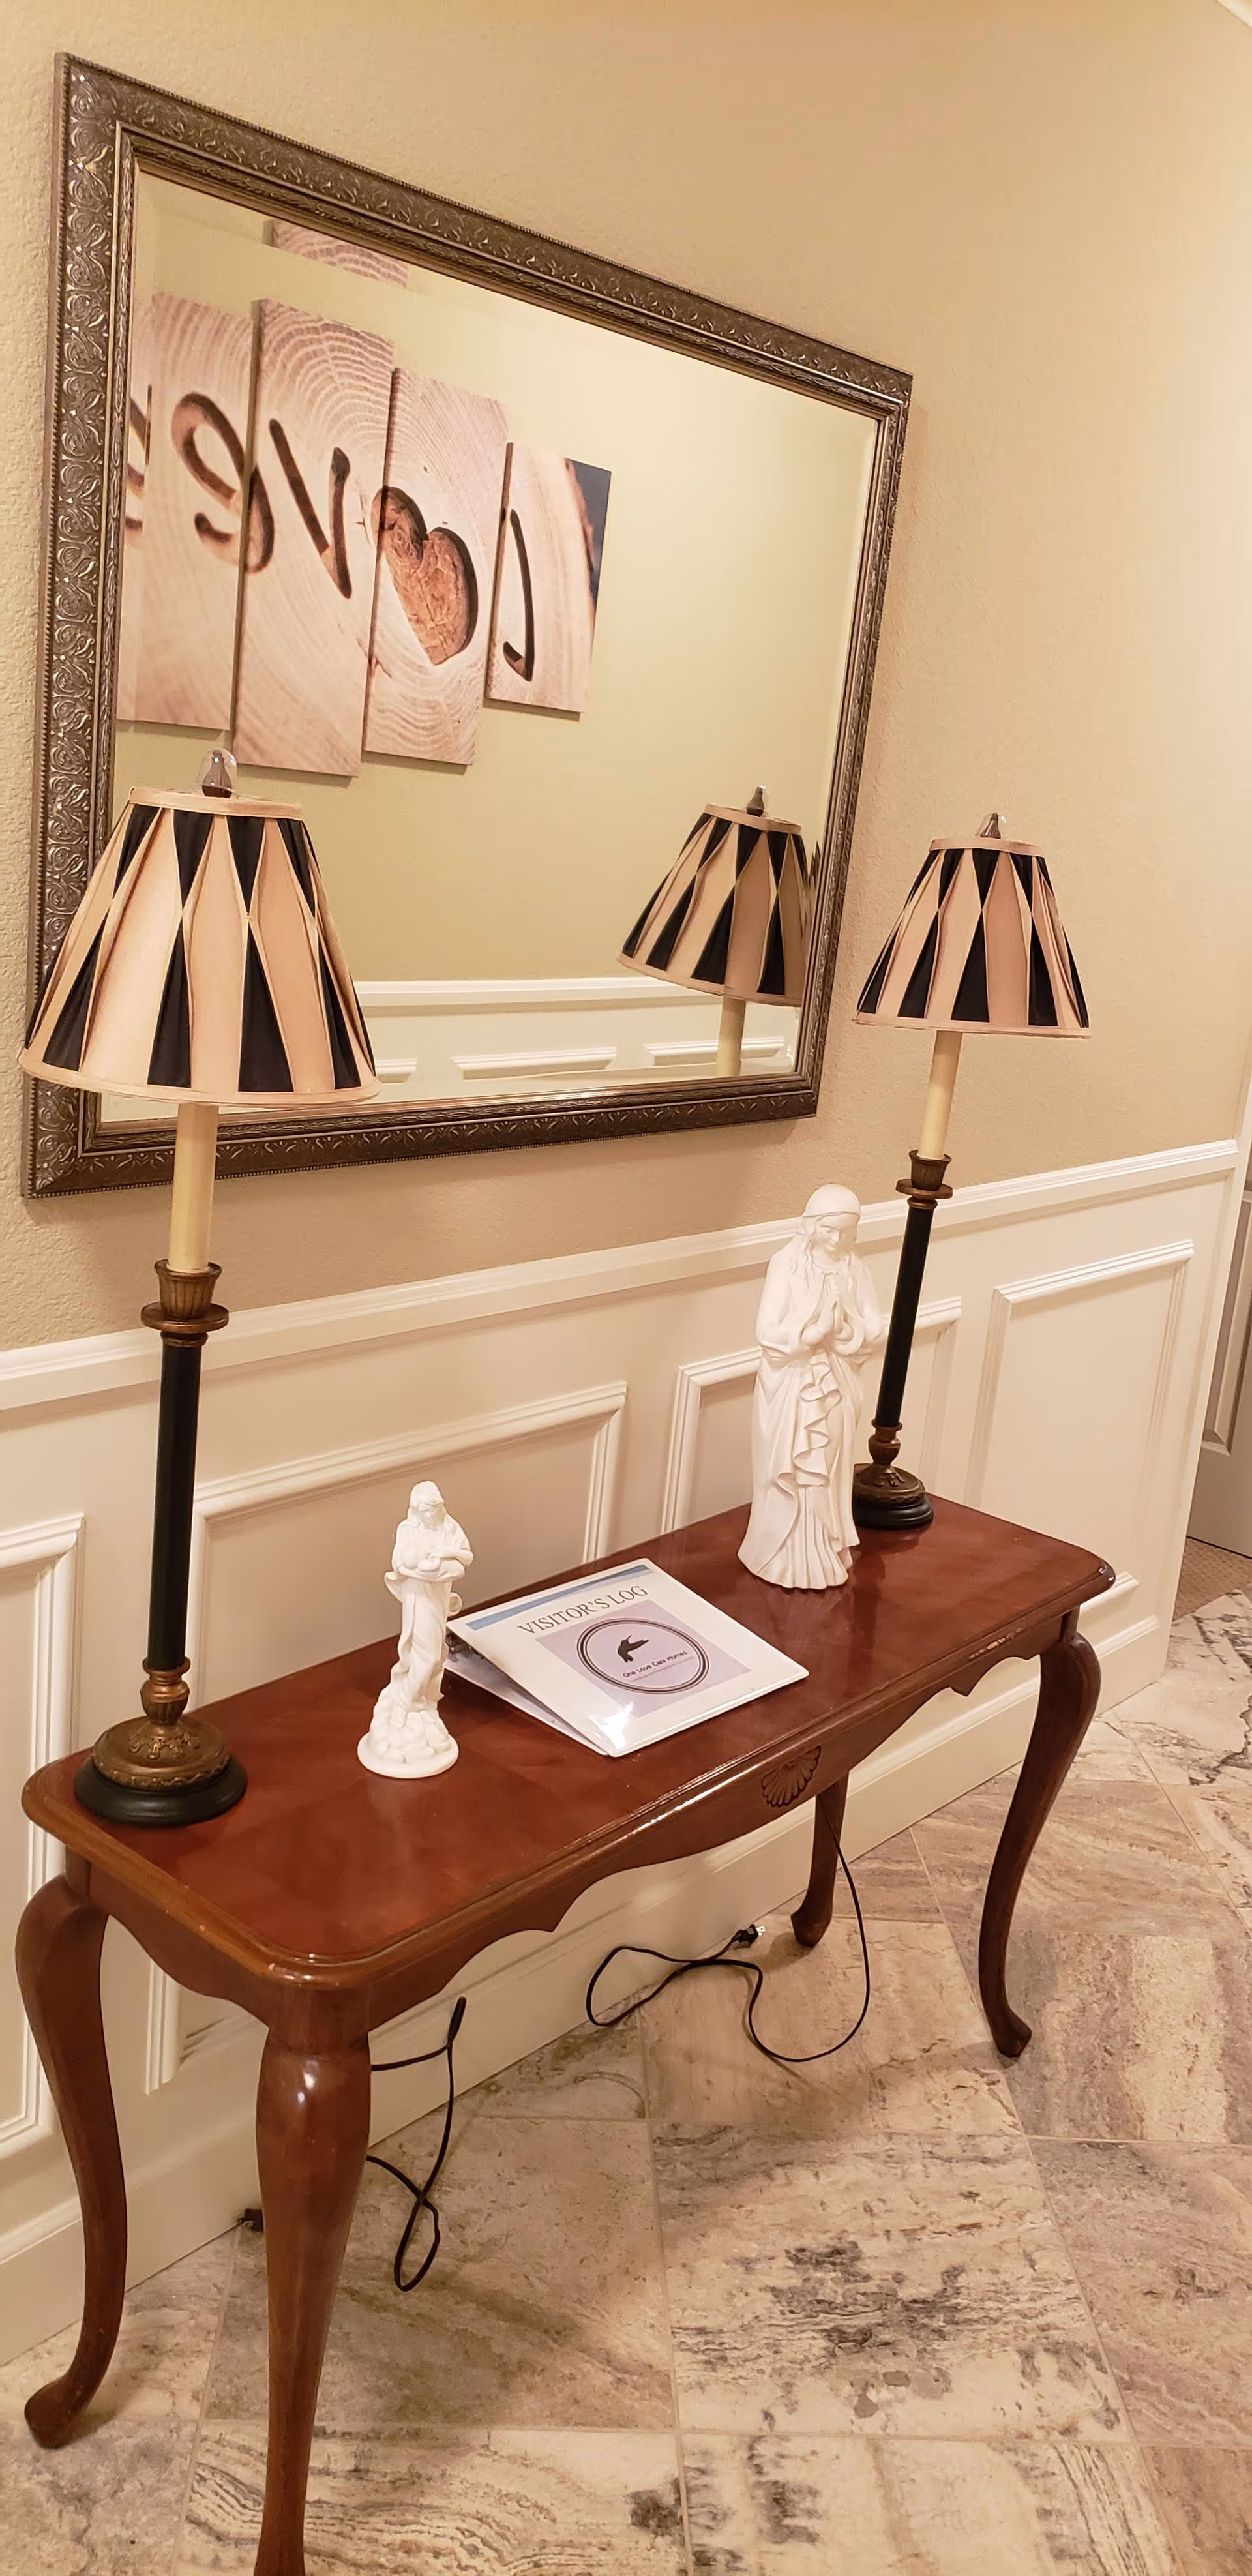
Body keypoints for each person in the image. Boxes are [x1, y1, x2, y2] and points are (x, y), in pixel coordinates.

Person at [739, 1185, 884, 1589]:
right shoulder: (786, 1264)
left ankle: (822, 1547)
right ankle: (782, 1553)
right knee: (791, 1464)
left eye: (846, 1233)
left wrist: (845, 1332)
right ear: (812, 1225)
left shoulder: (855, 1268)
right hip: (792, 1384)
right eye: (830, 1231)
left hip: (836, 1381)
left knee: (829, 1463)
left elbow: (874, 1325)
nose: (837, 1241)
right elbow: (766, 1329)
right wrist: (809, 1334)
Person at [359, 1483, 473, 1776]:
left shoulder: (448, 1525)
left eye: (434, 1509)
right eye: (425, 1510)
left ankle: (417, 1700)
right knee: (424, 1653)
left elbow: (463, 1562)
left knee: (435, 1656)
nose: (430, 1515)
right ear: (416, 1509)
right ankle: (406, 1703)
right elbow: (401, 1563)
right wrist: (427, 1569)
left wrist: (439, 1567)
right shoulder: (408, 1530)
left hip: (436, 1600)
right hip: (418, 1600)